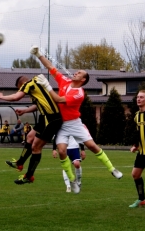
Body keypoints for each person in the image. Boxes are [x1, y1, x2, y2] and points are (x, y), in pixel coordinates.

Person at [30, 45, 123, 194]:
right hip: (61, 124)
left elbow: (59, 99)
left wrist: (47, 86)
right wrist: (38, 54)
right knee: (61, 151)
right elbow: (51, 67)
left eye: (79, 73)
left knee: (92, 146)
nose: (76, 72)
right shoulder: (65, 81)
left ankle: (112, 169)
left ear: (83, 79)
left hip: (74, 123)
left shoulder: (79, 93)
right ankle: (72, 180)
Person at [0, 75, 62, 185]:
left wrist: (0, 96)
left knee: (36, 147)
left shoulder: (29, 84)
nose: (21, 90)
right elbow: (39, 104)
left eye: (20, 88)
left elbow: (16, 97)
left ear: (21, 84)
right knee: (29, 137)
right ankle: (20, 163)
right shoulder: (38, 83)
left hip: (51, 118)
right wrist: (25, 111)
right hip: (44, 117)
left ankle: (29, 176)